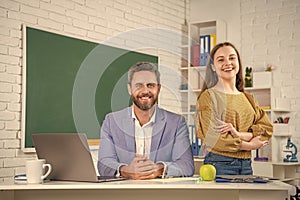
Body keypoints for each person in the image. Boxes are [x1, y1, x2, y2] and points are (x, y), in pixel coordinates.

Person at [98, 62, 194, 180]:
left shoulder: (176, 122)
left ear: (158, 89)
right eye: (139, 85)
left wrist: (159, 169)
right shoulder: (111, 121)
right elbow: (104, 164)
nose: (145, 91)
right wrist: (126, 171)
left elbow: (186, 165)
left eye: (150, 85)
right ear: (129, 89)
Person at [194, 42, 273, 175]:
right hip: (220, 164)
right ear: (213, 67)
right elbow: (213, 138)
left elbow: (267, 128)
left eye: (232, 58)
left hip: (247, 164)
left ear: (238, 62)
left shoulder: (248, 98)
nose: (228, 63)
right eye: (221, 59)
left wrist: (240, 135)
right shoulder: (208, 97)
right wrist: (250, 145)